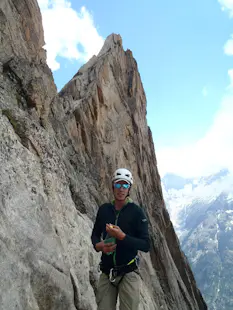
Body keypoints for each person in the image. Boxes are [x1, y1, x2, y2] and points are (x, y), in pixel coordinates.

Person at [91, 168, 150, 310]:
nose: (121, 189)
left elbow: (146, 244)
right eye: (118, 185)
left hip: (128, 272)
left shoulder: (136, 212)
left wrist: (122, 237)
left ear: (129, 188)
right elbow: (95, 235)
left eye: (125, 185)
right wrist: (99, 246)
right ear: (113, 187)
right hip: (107, 271)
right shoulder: (104, 210)